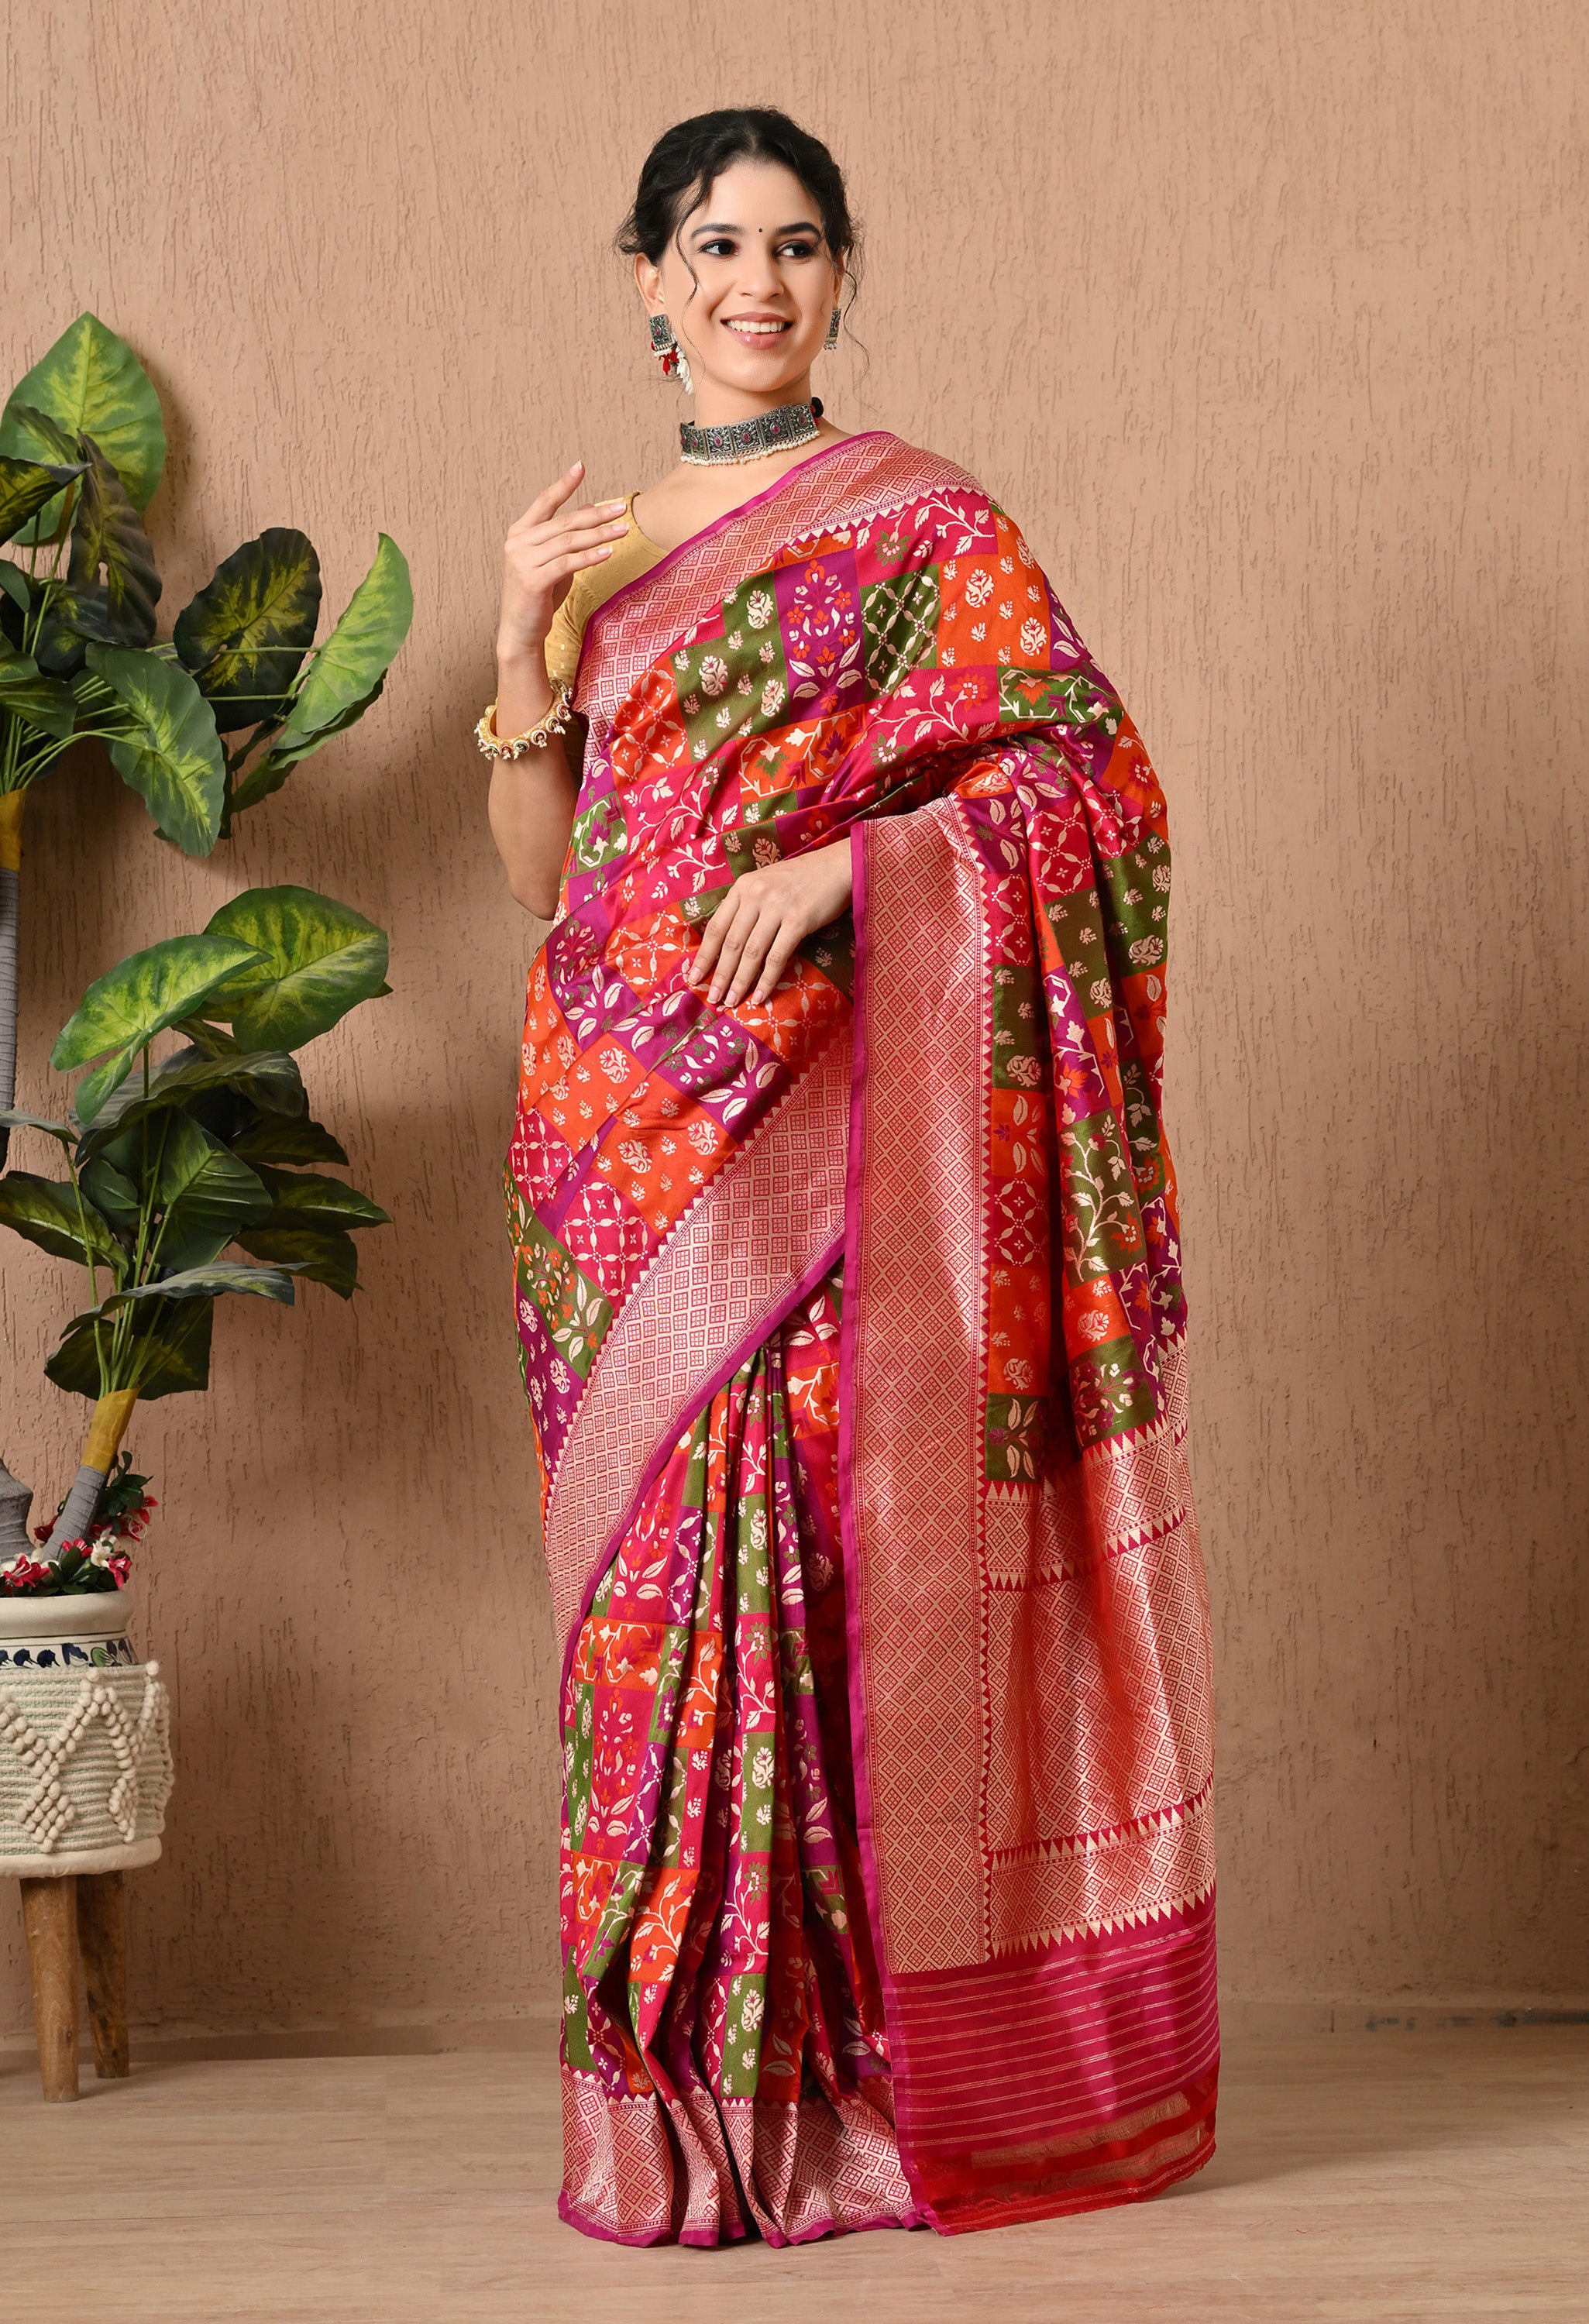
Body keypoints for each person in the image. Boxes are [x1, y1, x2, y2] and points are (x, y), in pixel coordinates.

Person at [490, 107, 1217, 2248]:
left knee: (815, 1573)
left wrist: (853, 868)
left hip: (828, 1117)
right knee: (650, 1616)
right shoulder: (599, 535)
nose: (755, 283)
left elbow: (1094, 785)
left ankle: (840, 2100)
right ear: (646, 277)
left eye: (796, 245)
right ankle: (665, 2106)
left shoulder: (925, 527)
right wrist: (525, 646)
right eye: (714, 245)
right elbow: (551, 886)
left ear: (840, 274)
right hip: (607, 1150)